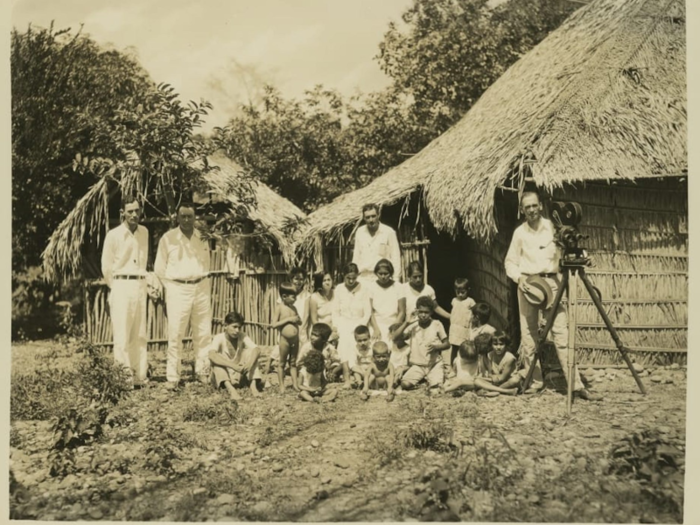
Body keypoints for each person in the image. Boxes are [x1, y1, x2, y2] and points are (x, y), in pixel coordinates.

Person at [505, 191, 601, 401]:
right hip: (529, 285)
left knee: (561, 334)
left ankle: (576, 386)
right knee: (529, 336)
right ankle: (535, 381)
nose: (531, 210)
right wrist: (518, 278)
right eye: (527, 207)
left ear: (540, 206)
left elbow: (569, 245)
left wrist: (584, 256)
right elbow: (510, 262)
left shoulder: (553, 226)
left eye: (534, 205)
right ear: (522, 210)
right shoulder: (519, 233)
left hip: (552, 283)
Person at [154, 202, 212, 389]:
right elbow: (159, 269)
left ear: (195, 217)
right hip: (178, 288)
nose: (187, 219)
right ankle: (173, 377)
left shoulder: (202, 237)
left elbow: (207, 264)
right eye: (183, 216)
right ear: (177, 218)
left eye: (190, 216)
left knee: (203, 332)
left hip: (201, 286)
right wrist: (170, 289)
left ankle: (202, 371)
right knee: (175, 333)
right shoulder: (168, 238)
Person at [101, 199, 149, 387]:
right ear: (123, 212)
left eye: (137, 211)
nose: (134, 215)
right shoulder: (113, 235)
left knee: (140, 334)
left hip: (139, 284)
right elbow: (106, 266)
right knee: (121, 334)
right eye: (130, 211)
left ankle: (139, 376)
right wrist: (115, 288)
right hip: (121, 285)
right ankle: (123, 380)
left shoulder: (144, 232)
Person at [332, 263, 372, 386]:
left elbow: (367, 312)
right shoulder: (339, 289)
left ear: (358, 276)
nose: (351, 280)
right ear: (344, 276)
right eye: (348, 278)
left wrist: (360, 326)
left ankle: (354, 372)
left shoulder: (363, 289)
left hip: (359, 323)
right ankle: (346, 375)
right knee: (344, 341)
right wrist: (336, 327)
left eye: (353, 278)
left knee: (356, 340)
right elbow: (335, 311)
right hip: (343, 322)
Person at [208, 311, 262, 400]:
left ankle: (253, 387)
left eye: (239, 327)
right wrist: (233, 366)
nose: (237, 331)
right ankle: (232, 390)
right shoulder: (219, 338)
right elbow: (211, 355)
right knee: (217, 359)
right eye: (234, 327)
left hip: (238, 373)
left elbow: (257, 349)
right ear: (225, 326)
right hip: (223, 376)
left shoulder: (242, 336)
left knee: (251, 352)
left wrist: (249, 364)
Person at [400, 296, 450, 392]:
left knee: (435, 390)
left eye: (426, 312)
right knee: (404, 384)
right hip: (418, 365)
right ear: (417, 311)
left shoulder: (437, 324)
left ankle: (432, 379)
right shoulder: (413, 325)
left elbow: (447, 344)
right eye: (421, 312)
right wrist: (407, 322)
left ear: (431, 312)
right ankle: (423, 379)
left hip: (434, 364)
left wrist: (437, 347)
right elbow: (400, 337)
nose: (423, 315)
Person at [443, 340, 517, 396]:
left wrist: (479, 377)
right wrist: (450, 376)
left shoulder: (478, 361)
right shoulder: (457, 361)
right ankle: (448, 390)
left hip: (472, 383)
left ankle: (505, 391)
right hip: (461, 383)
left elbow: (482, 373)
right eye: (467, 360)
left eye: (471, 360)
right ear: (462, 356)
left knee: (475, 382)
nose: (469, 362)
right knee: (458, 382)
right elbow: (454, 372)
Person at [435, 277, 476, 377]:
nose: (460, 295)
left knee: (464, 348)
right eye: (458, 292)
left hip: (464, 328)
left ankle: (464, 368)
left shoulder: (470, 302)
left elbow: (474, 315)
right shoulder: (454, 300)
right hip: (455, 328)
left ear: (468, 290)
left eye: (463, 292)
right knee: (453, 348)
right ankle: (452, 369)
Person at [352, 204, 402, 285]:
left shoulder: (389, 232)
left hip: (383, 277)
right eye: (367, 217)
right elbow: (356, 256)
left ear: (378, 215)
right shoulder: (360, 232)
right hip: (363, 278)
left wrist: (396, 279)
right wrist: (354, 276)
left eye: (373, 216)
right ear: (364, 218)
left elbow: (395, 257)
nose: (371, 220)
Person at [271, 281, 302, 394]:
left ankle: (295, 384)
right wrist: (289, 319)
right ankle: (282, 386)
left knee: (293, 363)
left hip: (295, 339)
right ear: (284, 296)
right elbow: (274, 325)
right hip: (284, 340)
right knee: (282, 363)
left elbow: (300, 321)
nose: (296, 299)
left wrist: (298, 320)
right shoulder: (279, 308)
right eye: (293, 297)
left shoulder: (294, 308)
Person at [368, 259, 406, 346]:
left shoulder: (399, 287)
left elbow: (402, 312)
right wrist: (376, 329)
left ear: (391, 273)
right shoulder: (371, 287)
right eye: (380, 274)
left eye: (386, 273)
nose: (383, 276)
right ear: (376, 273)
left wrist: (394, 328)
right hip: (376, 323)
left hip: (394, 322)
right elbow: (370, 311)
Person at [308, 272, 337, 344]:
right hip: (321, 331)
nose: (327, 283)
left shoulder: (337, 294)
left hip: (336, 328)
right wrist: (324, 333)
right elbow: (314, 320)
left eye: (329, 280)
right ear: (319, 282)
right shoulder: (314, 297)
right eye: (324, 280)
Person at [388, 323, 411, 388]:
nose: (394, 340)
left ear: (403, 336)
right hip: (391, 368)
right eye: (392, 336)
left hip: (402, 370)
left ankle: (395, 381)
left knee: (399, 371)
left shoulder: (407, 349)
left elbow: (410, 365)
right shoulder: (390, 346)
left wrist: (402, 369)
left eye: (397, 338)